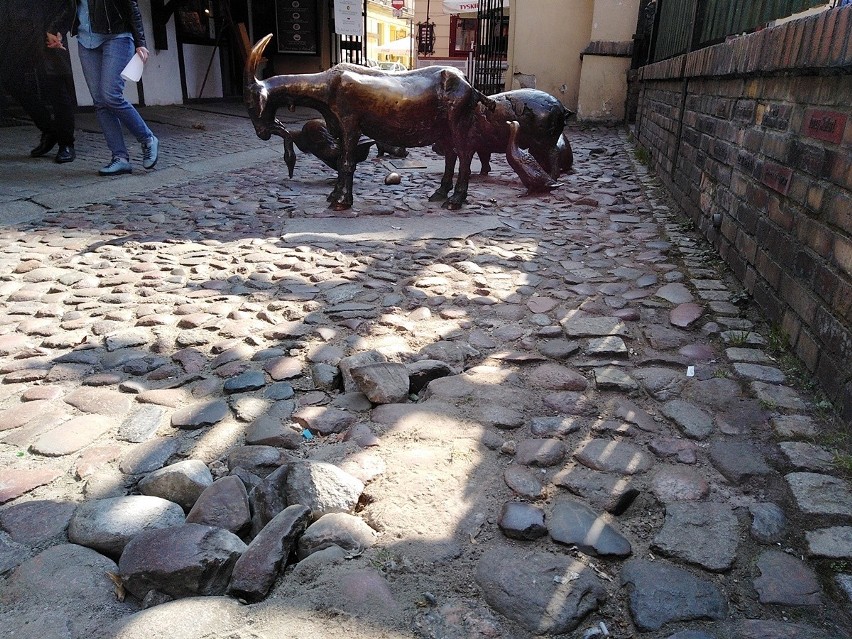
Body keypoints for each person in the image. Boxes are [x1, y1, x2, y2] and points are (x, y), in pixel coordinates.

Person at [71, 0, 159, 175]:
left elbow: (131, 5)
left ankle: (148, 139)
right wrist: (55, 29)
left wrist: (140, 42)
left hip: (117, 36)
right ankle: (120, 158)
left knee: (111, 95)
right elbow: (67, 7)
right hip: (86, 40)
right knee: (100, 102)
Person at [0, 0, 78, 163]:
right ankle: (49, 129)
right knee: (10, 79)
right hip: (15, 34)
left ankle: (66, 143)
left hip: (45, 30)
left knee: (56, 86)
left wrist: (55, 29)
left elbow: (67, 4)